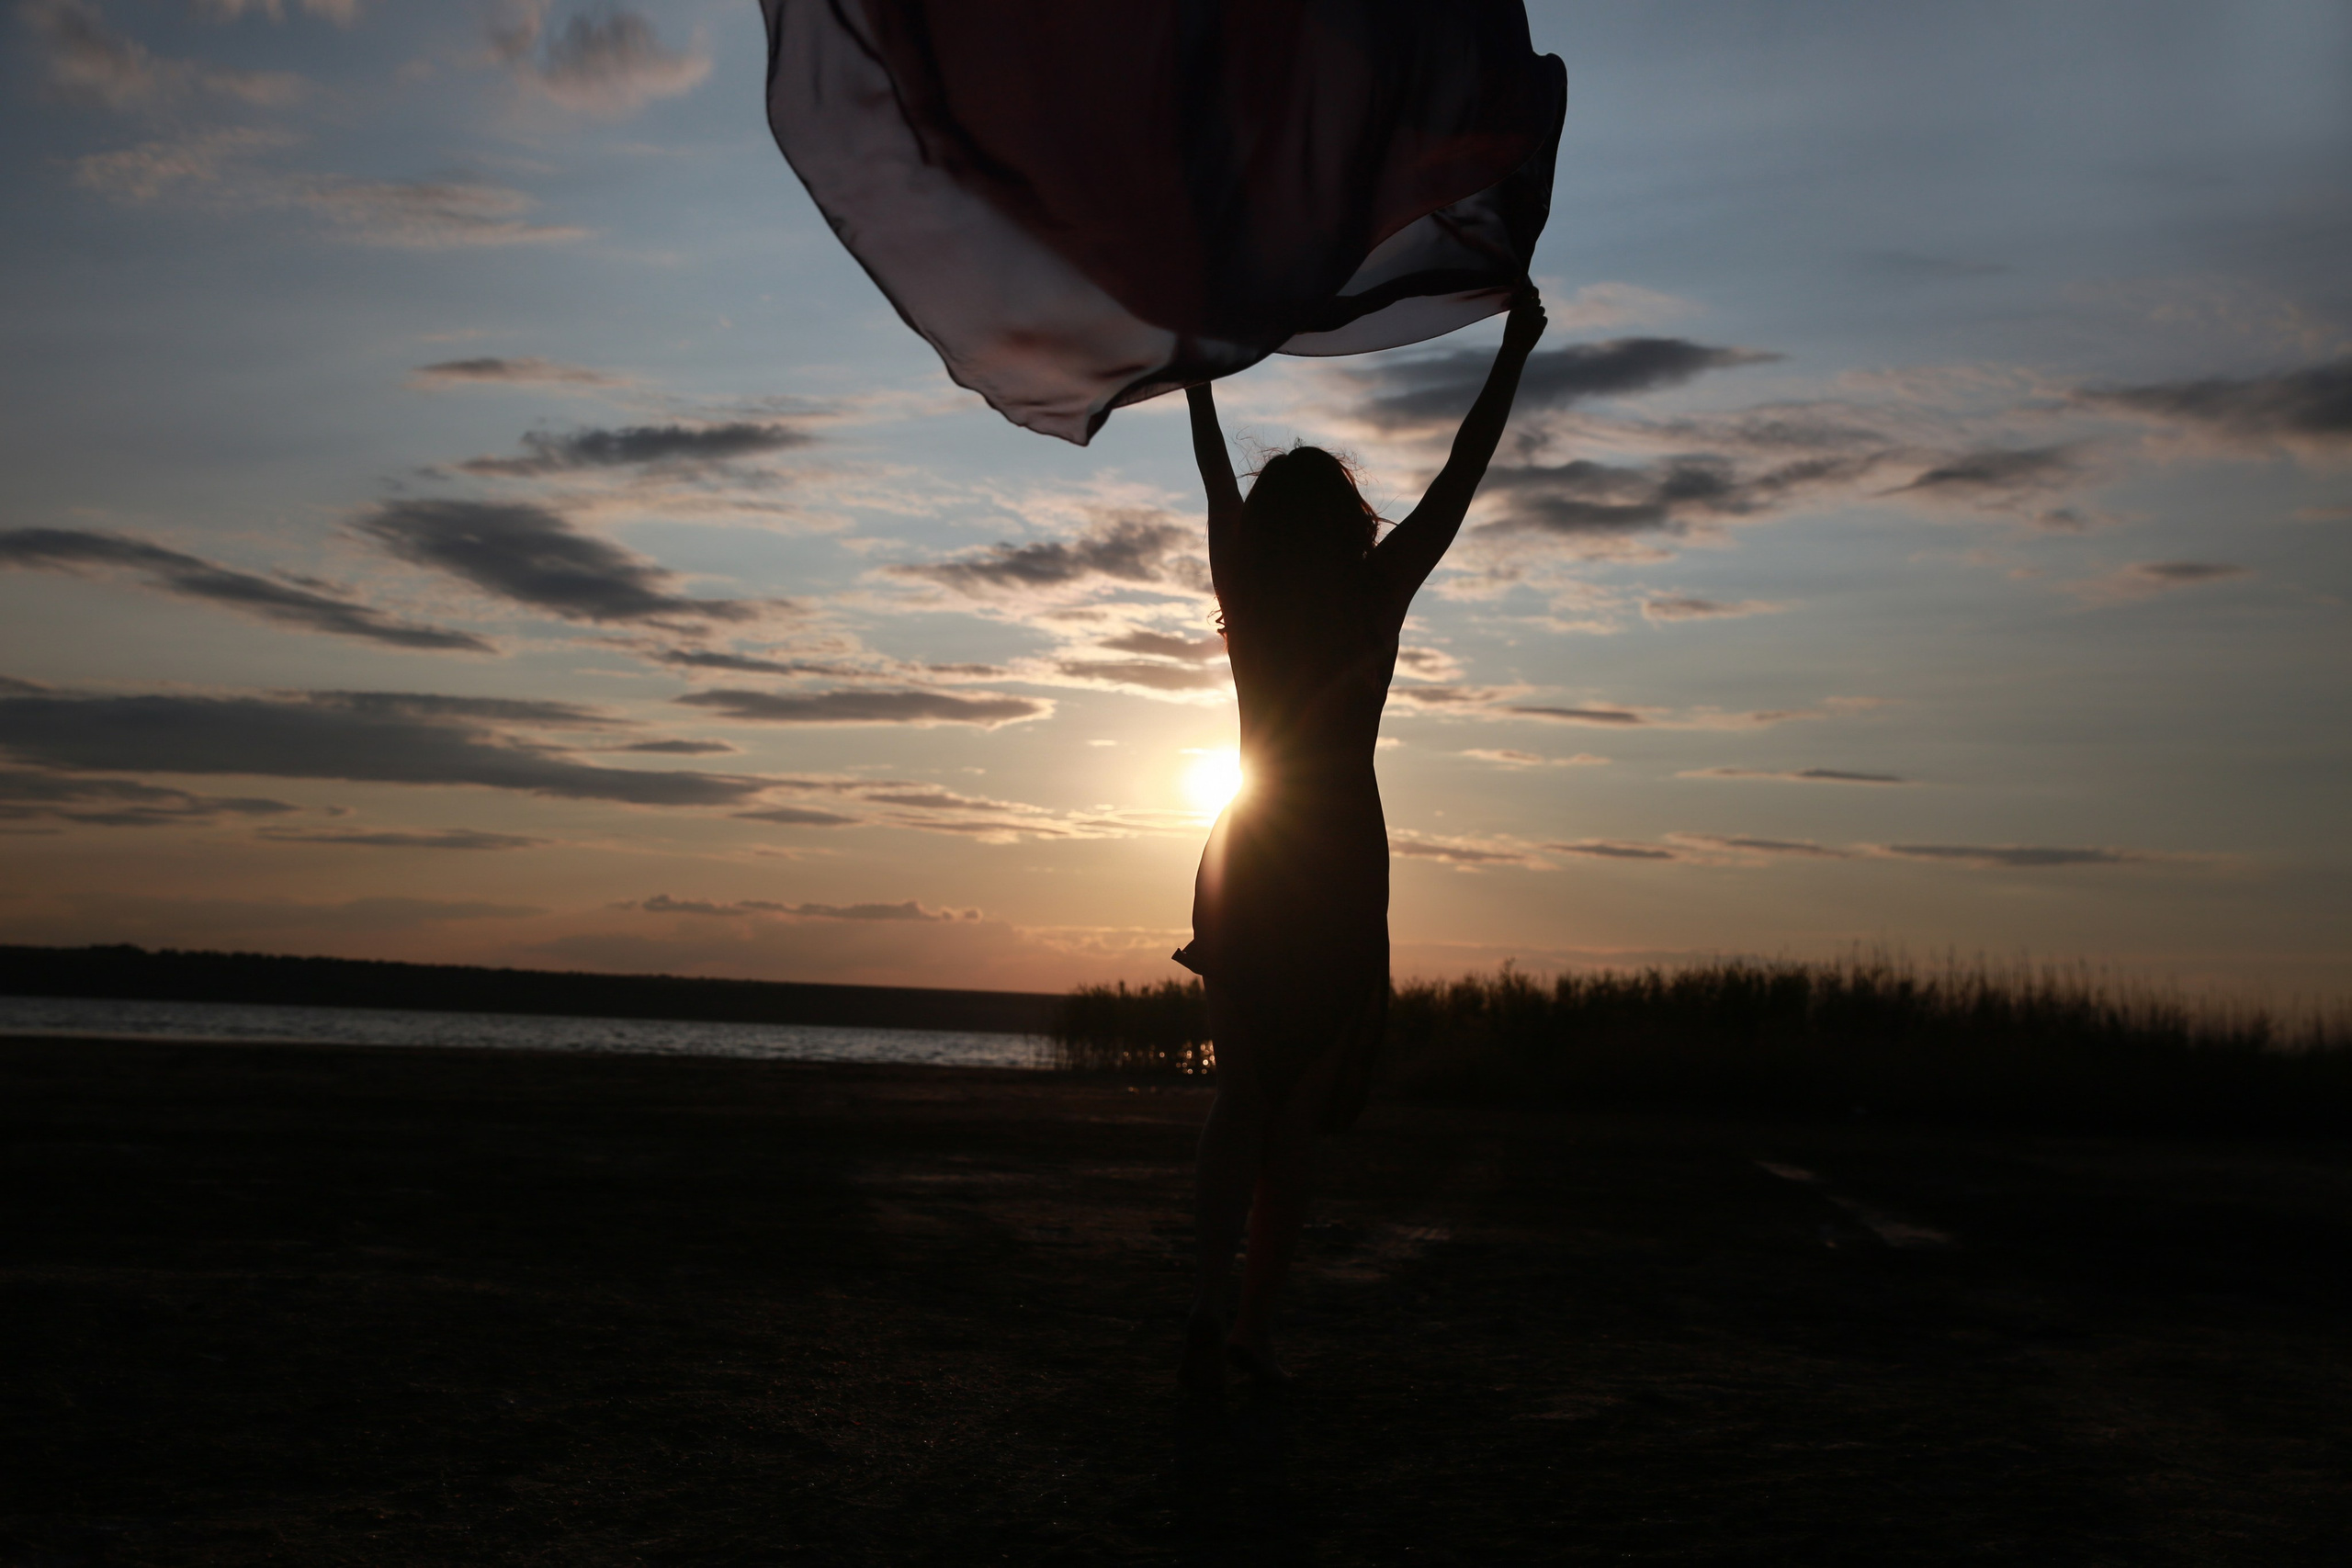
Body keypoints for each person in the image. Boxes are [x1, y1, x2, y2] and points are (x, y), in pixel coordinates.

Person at [1175, 286, 1548, 1395]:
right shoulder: (1375, 595)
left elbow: (1208, 469)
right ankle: (1250, 1330)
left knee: (1239, 1098)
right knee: (1288, 1118)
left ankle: (1204, 1305)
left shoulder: (1244, 580)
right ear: (1347, 528)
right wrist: (1512, 351)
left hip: (1249, 848)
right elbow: (1458, 482)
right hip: (1336, 858)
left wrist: (1195, 361)